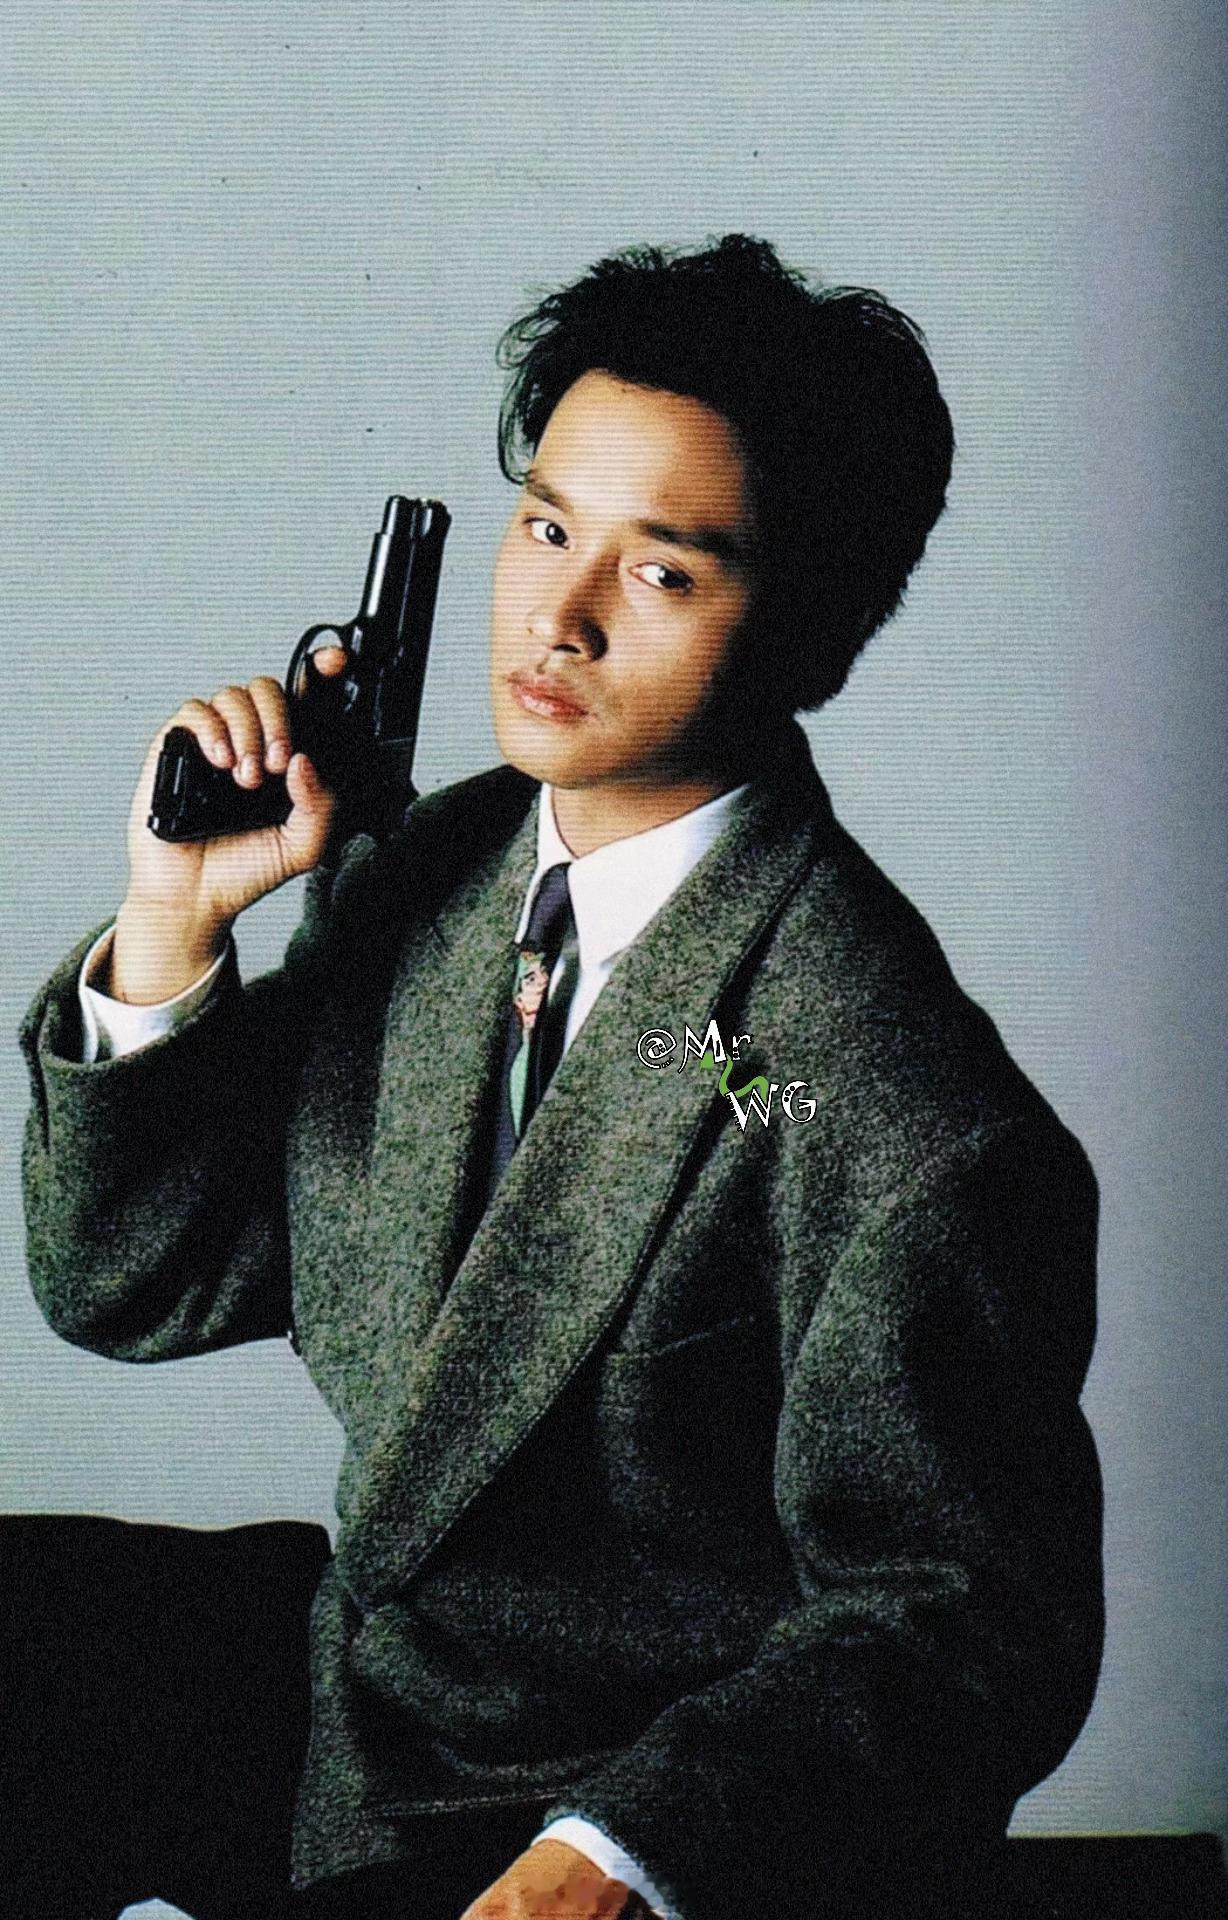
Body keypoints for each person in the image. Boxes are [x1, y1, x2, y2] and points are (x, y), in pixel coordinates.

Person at [20, 235, 1103, 1920]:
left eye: (660, 573)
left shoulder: (890, 1101)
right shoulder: (438, 870)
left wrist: (623, 1857)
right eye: (544, 528)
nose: (561, 618)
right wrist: (175, 923)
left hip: (589, 1801)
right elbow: (130, 1286)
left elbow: (964, 1617)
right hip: (364, 1697)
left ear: (810, 636)